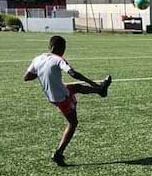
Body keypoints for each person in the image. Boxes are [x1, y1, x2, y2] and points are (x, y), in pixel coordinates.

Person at [24, 35, 112, 166]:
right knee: (73, 123)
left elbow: (26, 77)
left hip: (52, 95)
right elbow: (73, 73)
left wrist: (42, 72)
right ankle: (59, 153)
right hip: (61, 98)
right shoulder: (58, 59)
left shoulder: (38, 59)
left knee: (76, 87)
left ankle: (101, 90)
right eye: (63, 48)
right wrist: (91, 82)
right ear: (57, 47)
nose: (64, 51)